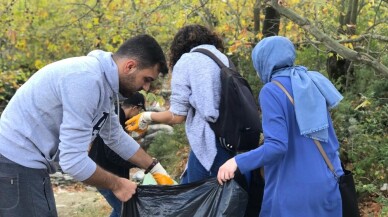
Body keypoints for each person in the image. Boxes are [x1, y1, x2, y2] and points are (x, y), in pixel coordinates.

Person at [0, 34, 173, 217]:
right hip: (15, 161)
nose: (146, 88)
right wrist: (118, 184)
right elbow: (72, 161)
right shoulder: (86, 80)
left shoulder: (104, 85)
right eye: (146, 79)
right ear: (130, 66)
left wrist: (155, 168)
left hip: (26, 164)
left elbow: (114, 136)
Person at [217, 36, 344, 216]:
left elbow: (277, 146)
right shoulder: (313, 81)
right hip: (328, 184)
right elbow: (330, 139)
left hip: (293, 191)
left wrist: (236, 161)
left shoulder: (272, 90)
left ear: (262, 62)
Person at [126, 24, 235, 184]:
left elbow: (176, 116)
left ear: (179, 47)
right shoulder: (222, 59)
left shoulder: (187, 61)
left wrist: (147, 116)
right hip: (232, 138)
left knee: (195, 201)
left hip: (209, 143)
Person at [89, 92, 147, 217]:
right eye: (139, 111)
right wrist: (138, 162)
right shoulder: (115, 119)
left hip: (108, 170)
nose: (138, 115)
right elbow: (113, 154)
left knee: (121, 210)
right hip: (105, 173)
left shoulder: (120, 118)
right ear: (135, 108)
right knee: (125, 211)